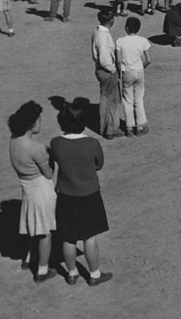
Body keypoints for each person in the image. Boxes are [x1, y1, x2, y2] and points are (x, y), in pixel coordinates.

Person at [48, 100, 113, 286]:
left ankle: (72, 272)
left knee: (68, 238)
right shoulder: (91, 143)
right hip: (89, 195)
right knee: (89, 237)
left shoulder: (56, 143)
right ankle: (94, 274)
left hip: (66, 195)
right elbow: (99, 164)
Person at [8, 101, 57, 283]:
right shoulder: (35, 148)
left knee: (34, 226)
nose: (40, 123)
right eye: (39, 120)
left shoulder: (14, 140)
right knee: (45, 232)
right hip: (41, 190)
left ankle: (29, 258)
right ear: (31, 124)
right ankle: (42, 271)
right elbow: (49, 173)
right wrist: (51, 158)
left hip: (27, 188)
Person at [115, 16, 152, 137]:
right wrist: (141, 67)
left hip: (127, 72)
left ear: (126, 28)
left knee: (127, 99)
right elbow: (148, 60)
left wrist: (120, 73)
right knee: (139, 99)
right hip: (139, 71)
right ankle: (140, 126)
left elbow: (119, 61)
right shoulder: (143, 40)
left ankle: (129, 127)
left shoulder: (120, 41)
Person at [92, 9, 123, 140]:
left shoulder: (97, 32)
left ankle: (103, 128)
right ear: (111, 20)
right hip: (107, 71)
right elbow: (105, 59)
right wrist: (113, 70)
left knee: (105, 98)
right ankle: (111, 129)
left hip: (102, 70)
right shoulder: (103, 36)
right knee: (113, 101)